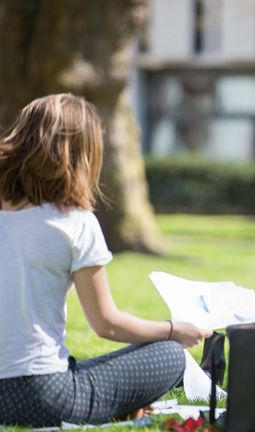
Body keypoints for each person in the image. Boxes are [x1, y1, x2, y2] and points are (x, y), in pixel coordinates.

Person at [0, 94, 212, 428]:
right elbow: (107, 324)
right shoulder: (73, 221)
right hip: (43, 394)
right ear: (83, 155)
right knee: (171, 357)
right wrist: (174, 331)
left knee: (81, 368)